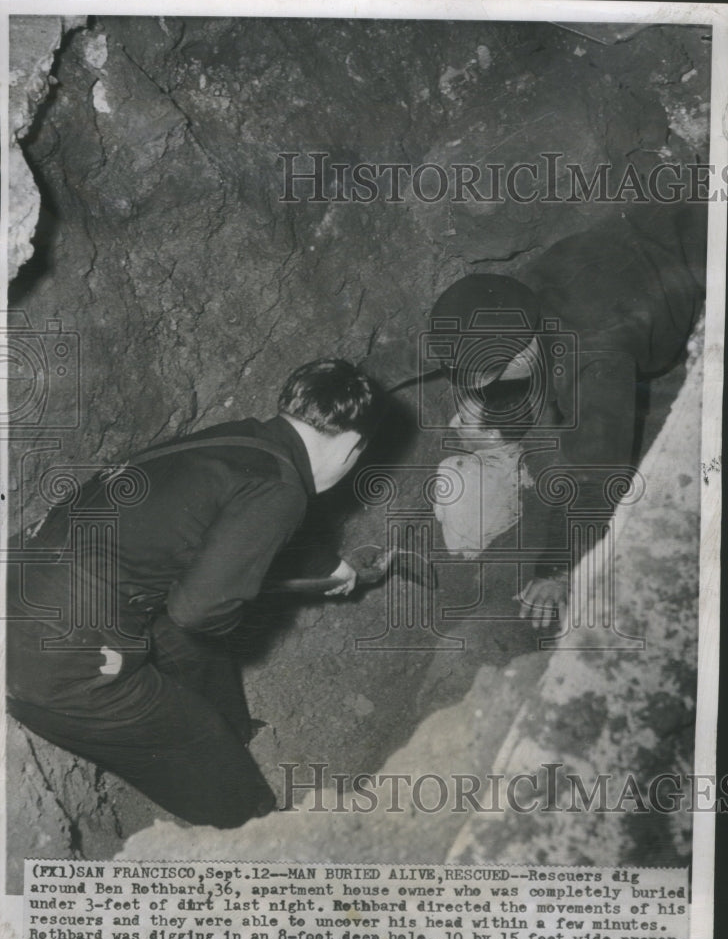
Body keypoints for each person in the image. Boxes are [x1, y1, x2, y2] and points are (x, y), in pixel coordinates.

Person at [7, 358, 380, 828]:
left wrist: (329, 565)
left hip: (24, 576)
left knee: (190, 645)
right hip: (50, 654)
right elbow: (198, 608)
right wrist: (232, 600)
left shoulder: (242, 439)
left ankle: (234, 729)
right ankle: (257, 831)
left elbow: (229, 516)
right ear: (350, 445)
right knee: (201, 741)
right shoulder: (282, 490)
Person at [362, 201, 707, 628]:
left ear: (527, 347)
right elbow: (425, 351)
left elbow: (598, 477)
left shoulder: (594, 359)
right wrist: (353, 387)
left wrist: (557, 569)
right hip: (666, 219)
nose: (481, 387)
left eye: (492, 375)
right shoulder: (506, 300)